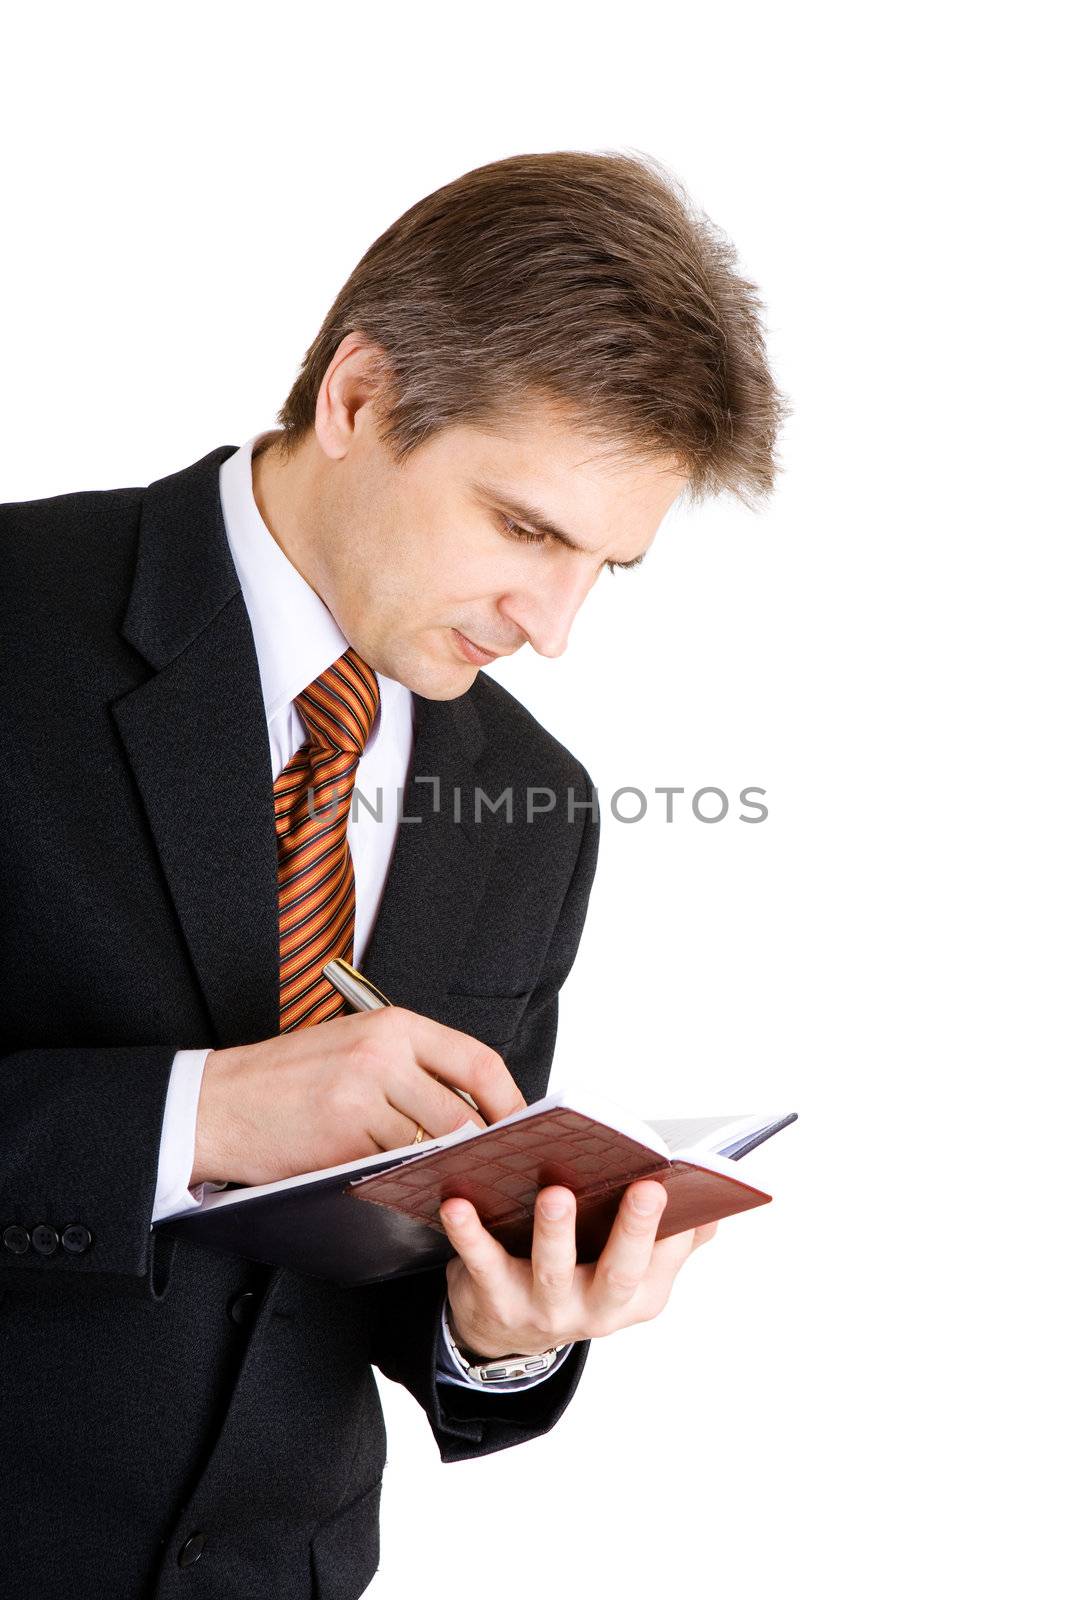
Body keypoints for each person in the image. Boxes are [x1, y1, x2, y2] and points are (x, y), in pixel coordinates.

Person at [0, 149, 784, 1598]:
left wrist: (507, 1326)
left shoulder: (536, 804)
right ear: (358, 398)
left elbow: (385, 1275)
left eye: (604, 566)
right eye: (526, 528)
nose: (551, 625)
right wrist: (202, 1110)